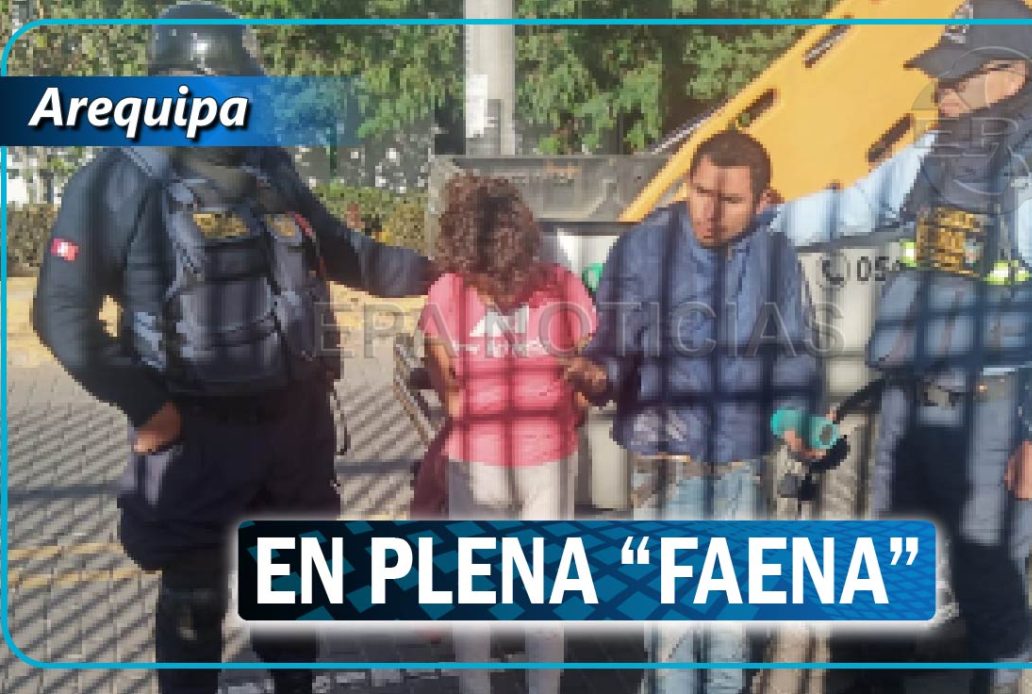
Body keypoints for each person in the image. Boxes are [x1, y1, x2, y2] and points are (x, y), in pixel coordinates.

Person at [31, 4, 434, 693]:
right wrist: (148, 407)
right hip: (197, 434)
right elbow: (60, 313)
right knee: (194, 606)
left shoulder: (267, 166)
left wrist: (442, 272)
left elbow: (344, 251)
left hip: (294, 428)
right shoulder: (117, 180)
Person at [773, 1, 1032, 692]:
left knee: (987, 580)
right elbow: (851, 209)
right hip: (907, 406)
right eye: (940, 75)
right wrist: (757, 225)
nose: (940, 90)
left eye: (957, 76)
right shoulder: (931, 154)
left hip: (992, 412)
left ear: (1010, 75)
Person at [563, 130, 822, 694]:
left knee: (730, 643)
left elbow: (795, 354)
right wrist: (598, 374)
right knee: (675, 640)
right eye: (701, 192)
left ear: (762, 201)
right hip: (666, 463)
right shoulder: (643, 247)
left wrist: (798, 415)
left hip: (744, 464)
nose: (709, 212)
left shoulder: (777, 256)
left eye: (730, 201)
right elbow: (615, 343)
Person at [418, 174, 596, 694]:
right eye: (483, 281)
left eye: (503, 280)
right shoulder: (451, 290)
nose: (496, 293)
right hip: (482, 462)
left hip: (542, 460)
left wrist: (571, 410)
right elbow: (440, 366)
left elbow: (589, 363)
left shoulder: (560, 286)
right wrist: (462, 410)